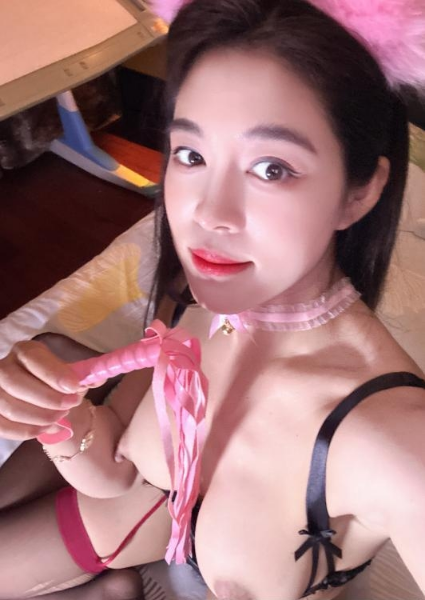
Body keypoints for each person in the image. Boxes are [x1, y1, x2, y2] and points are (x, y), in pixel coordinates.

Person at [0, 0, 425, 598]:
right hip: (142, 521)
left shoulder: (392, 441)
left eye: (272, 168)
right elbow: (118, 473)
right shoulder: (192, 302)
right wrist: (53, 417)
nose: (209, 214)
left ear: (359, 193)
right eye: (191, 155)